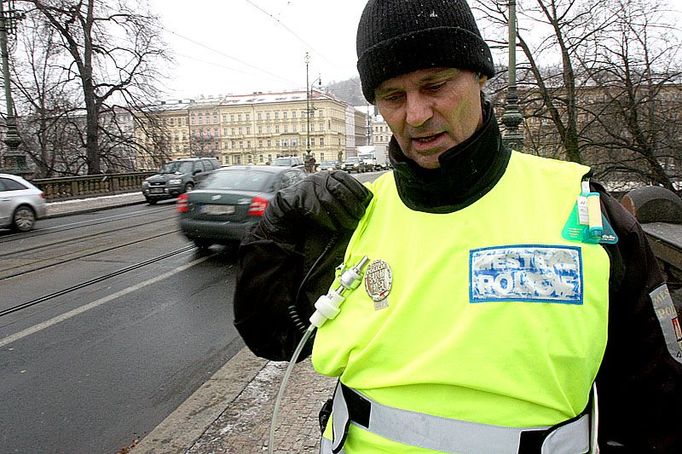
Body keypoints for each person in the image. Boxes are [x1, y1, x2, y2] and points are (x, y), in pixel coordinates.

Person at [233, 0, 682, 452]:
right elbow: (275, 339)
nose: (416, 114)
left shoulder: (583, 211)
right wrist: (273, 233)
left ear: (479, 77)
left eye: (435, 85)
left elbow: (658, 397)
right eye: (393, 96)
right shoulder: (355, 215)